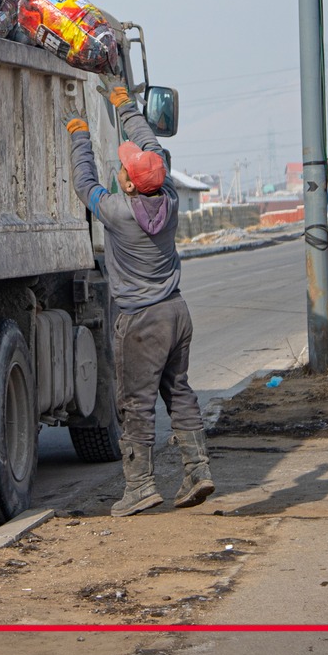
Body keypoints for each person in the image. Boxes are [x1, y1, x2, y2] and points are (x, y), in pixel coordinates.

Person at [64, 81, 215, 516]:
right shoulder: (168, 201)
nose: (122, 170)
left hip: (142, 322)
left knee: (135, 404)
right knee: (179, 391)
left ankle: (141, 486)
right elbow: (150, 148)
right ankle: (197, 469)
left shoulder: (116, 212)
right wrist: (125, 107)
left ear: (129, 186)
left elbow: (83, 182)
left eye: (125, 171)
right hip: (176, 313)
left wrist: (79, 135)